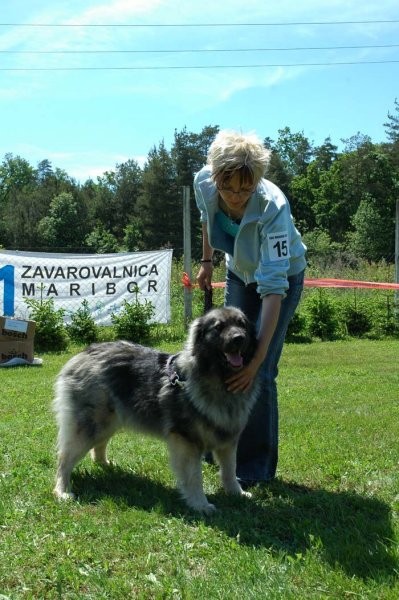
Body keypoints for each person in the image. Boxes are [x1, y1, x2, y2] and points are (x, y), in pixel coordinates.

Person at [194, 130, 306, 487]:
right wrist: (207, 260)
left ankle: (255, 469)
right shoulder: (204, 183)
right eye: (230, 188)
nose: (237, 197)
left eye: (246, 188)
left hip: (280, 279)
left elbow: (273, 291)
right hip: (239, 272)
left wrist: (257, 360)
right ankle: (219, 446)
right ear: (216, 178)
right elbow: (206, 219)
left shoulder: (273, 206)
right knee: (226, 359)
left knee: (258, 372)